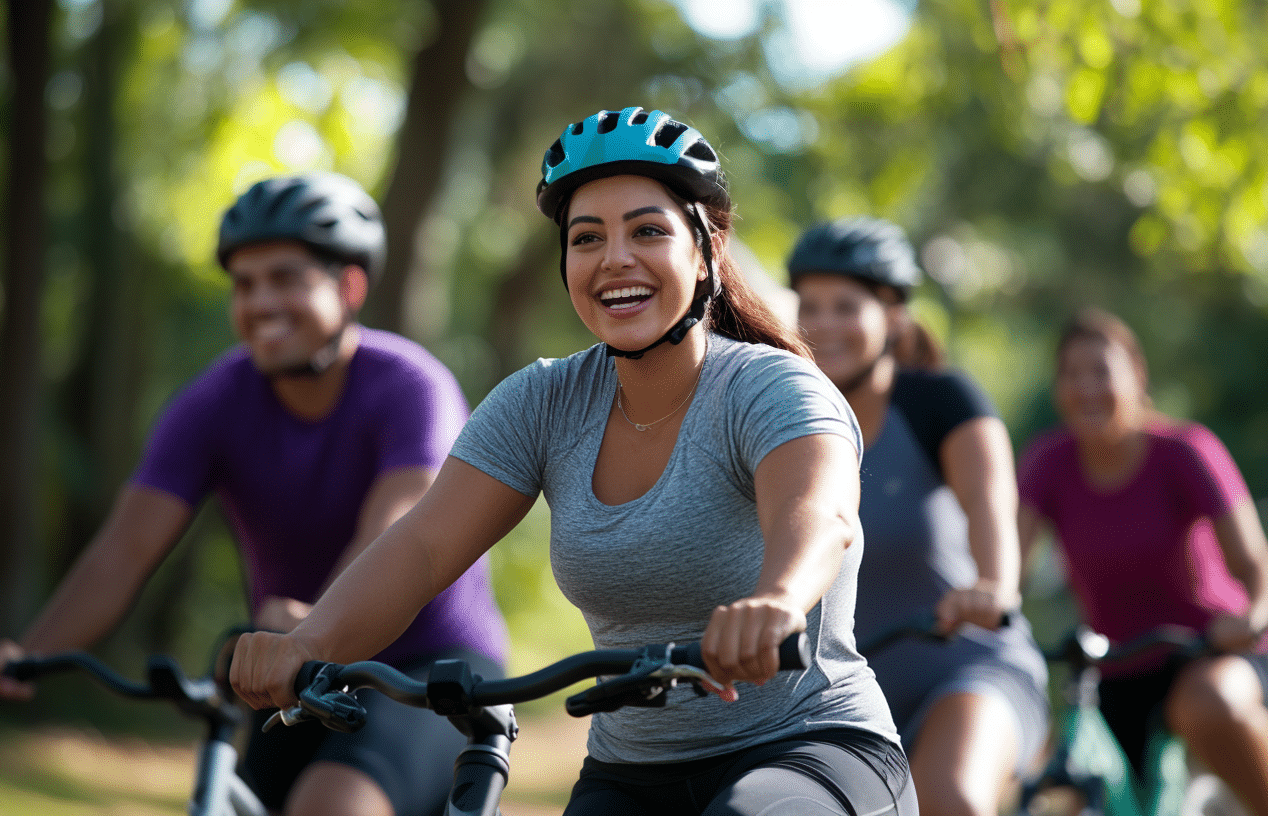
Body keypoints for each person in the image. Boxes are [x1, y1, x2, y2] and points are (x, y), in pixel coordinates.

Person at [230, 107, 916, 816]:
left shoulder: (772, 387)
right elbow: (424, 547)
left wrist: (776, 602)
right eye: (587, 238)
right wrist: (307, 644)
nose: (614, 257)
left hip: (807, 750)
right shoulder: (544, 401)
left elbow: (818, 514)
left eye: (647, 230)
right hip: (629, 775)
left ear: (707, 246)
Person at [0, 172, 509, 816]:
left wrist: (312, 621)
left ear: (350, 286)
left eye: (286, 278)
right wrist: (31, 653)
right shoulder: (215, 402)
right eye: (245, 285)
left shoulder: (410, 386)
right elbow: (124, 549)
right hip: (294, 665)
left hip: (428, 666)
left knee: (332, 806)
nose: (261, 303)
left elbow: (395, 526)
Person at [789, 217, 1048, 816]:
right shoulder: (781, 419)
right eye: (810, 307)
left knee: (950, 799)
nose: (823, 325)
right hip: (836, 699)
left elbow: (991, 509)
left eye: (846, 306)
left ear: (895, 315)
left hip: (967, 670)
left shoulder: (941, 401)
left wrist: (994, 586)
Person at [1016, 307, 1268, 816]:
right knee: (1070, 784)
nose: (1086, 387)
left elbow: (1257, 563)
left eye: (1101, 371)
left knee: (1210, 705)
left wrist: (1252, 616)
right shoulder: (1047, 462)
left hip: (1207, 649)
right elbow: (1008, 567)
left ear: (1137, 375)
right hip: (1113, 666)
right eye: (1071, 375)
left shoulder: (1186, 450)